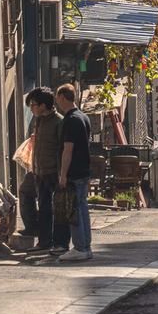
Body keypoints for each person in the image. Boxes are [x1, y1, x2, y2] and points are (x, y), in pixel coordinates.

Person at [55, 83, 95, 261]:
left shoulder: (70, 120)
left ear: (63, 97)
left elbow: (67, 149)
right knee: (82, 207)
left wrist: (63, 174)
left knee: (74, 209)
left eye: (57, 98)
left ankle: (79, 247)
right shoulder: (83, 117)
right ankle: (85, 246)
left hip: (74, 171)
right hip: (84, 169)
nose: (57, 103)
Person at [22, 88, 64, 251]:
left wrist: (62, 173)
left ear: (43, 105)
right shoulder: (38, 120)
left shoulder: (58, 122)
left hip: (53, 172)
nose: (31, 109)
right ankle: (43, 241)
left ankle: (58, 242)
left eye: (33, 105)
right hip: (38, 171)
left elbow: (63, 149)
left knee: (56, 208)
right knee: (44, 207)